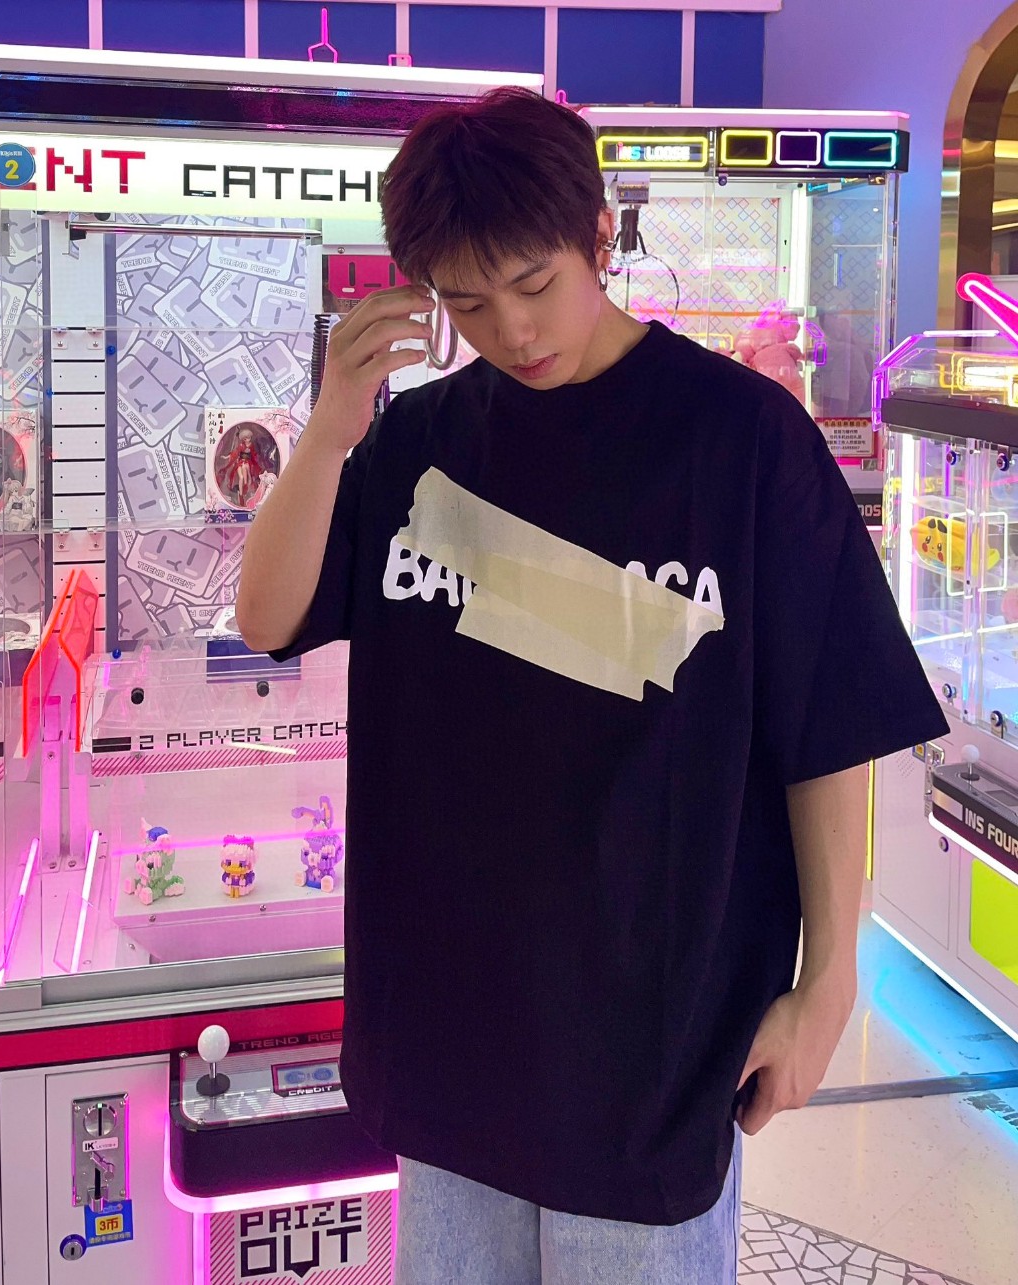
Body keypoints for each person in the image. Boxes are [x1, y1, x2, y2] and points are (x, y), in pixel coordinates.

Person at [236, 88, 947, 1285]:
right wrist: (325, 435)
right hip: (449, 1024)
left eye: (534, 283)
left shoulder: (744, 439)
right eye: (467, 302)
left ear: (600, 237)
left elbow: (830, 725)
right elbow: (267, 617)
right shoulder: (417, 441)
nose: (512, 330)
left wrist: (827, 983)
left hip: (652, 1042)